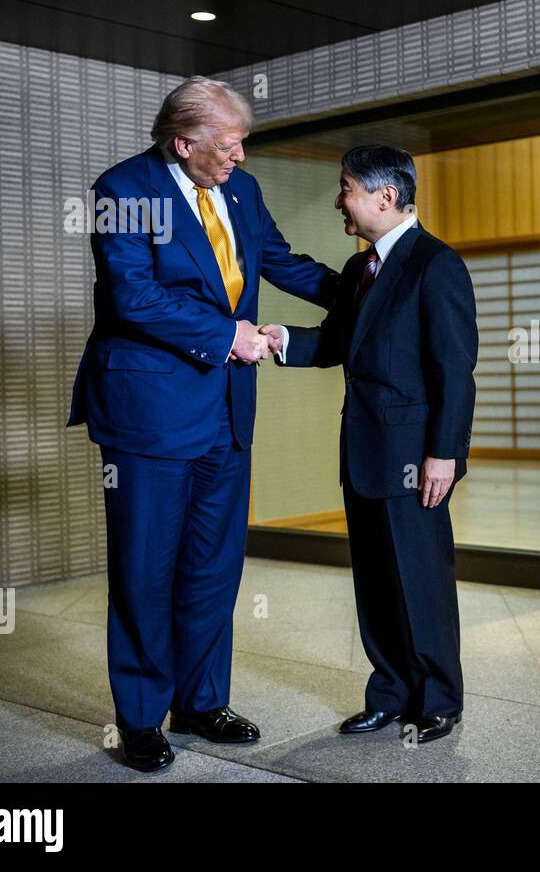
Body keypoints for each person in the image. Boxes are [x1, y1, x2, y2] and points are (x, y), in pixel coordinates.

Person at [68, 76, 340, 771]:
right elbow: (134, 297)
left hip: (226, 410)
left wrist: (375, 283)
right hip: (149, 415)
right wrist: (228, 337)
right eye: (226, 145)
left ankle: (200, 700)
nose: (240, 157)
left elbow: (279, 263)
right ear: (182, 143)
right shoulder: (123, 191)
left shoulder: (241, 192)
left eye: (242, 141)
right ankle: (139, 719)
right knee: (145, 571)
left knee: (213, 569)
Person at [260, 143, 476, 744]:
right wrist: (278, 338)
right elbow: (336, 345)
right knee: (376, 580)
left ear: (387, 196)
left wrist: (445, 454)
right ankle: (388, 692)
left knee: (421, 579)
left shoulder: (437, 265)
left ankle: (438, 698)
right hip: (363, 450)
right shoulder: (360, 270)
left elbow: (455, 371)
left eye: (347, 188)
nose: (340, 201)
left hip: (415, 457)